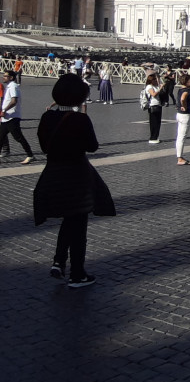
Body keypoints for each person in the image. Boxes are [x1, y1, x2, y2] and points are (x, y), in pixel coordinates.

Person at [34, 74, 115, 288]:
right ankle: (77, 274)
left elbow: (43, 147)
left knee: (69, 219)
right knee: (78, 224)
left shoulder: (46, 117)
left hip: (53, 173)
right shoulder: (80, 119)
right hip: (77, 176)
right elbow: (92, 146)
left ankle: (59, 262)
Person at [1, 69, 35, 164]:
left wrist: (4, 110)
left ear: (11, 77)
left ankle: (30, 155)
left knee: (18, 137)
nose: (3, 77)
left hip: (12, 117)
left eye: (5, 76)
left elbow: (14, 101)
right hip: (6, 118)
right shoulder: (9, 86)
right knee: (1, 137)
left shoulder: (13, 87)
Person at [174, 74, 190, 166]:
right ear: (186, 81)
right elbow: (182, 99)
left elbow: (179, 99)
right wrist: (184, 106)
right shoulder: (186, 91)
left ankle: (179, 156)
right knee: (182, 137)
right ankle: (180, 158)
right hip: (184, 116)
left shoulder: (180, 89)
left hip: (179, 115)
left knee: (179, 137)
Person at [143, 73, 163, 144]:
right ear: (151, 80)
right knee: (153, 122)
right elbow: (153, 94)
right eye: (154, 79)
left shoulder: (155, 86)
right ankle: (152, 138)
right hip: (152, 105)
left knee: (158, 122)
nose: (155, 81)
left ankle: (156, 137)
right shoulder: (149, 87)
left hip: (158, 105)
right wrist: (160, 89)